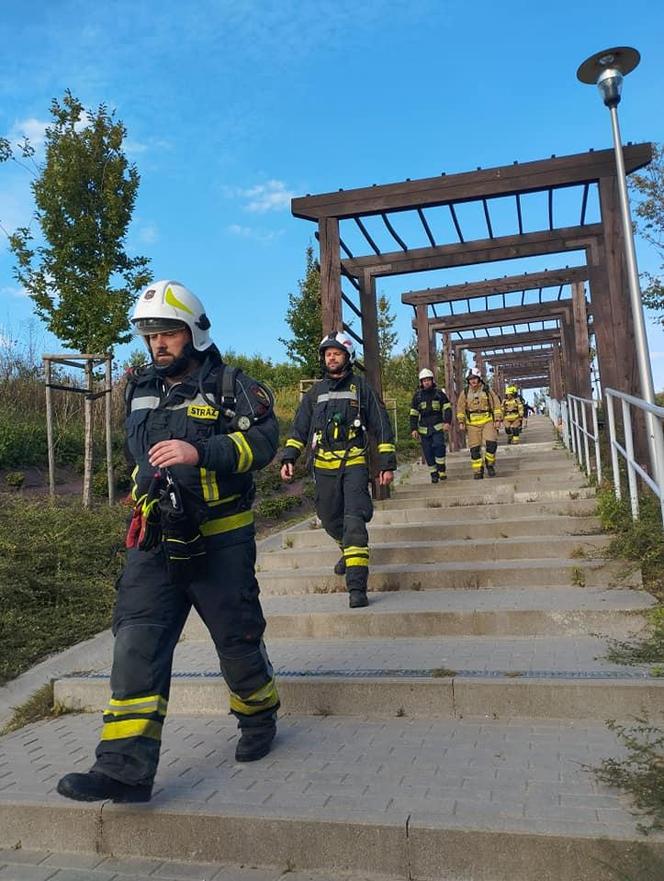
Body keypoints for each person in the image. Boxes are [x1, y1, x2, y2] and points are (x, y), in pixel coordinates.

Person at [57, 280, 280, 804]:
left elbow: (264, 443)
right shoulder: (136, 386)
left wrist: (202, 451)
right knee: (135, 641)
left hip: (219, 540)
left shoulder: (233, 386)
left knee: (237, 640)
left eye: (168, 333)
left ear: (195, 333)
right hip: (154, 538)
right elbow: (137, 452)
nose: (157, 344)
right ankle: (123, 770)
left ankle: (259, 714)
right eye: (149, 334)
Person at [280, 332, 396, 608]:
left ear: (347, 356)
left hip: (354, 462)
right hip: (323, 467)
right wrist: (289, 457)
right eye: (327, 354)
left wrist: (387, 465)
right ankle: (347, 550)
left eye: (336, 353)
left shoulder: (361, 388)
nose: (331, 357)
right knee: (330, 519)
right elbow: (299, 429)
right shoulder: (314, 393)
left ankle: (357, 588)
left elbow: (381, 425)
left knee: (354, 521)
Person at [456, 367, 503, 479]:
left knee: (491, 444)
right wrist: (461, 422)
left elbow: (496, 404)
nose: (473, 381)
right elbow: (460, 408)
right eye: (470, 379)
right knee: (475, 449)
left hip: (487, 420)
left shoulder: (487, 390)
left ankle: (489, 464)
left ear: (479, 379)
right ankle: (478, 470)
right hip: (472, 424)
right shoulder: (465, 392)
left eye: (475, 378)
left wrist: (497, 419)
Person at [409, 368, 452, 483]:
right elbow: (413, 414)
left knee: (439, 446)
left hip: (437, 427)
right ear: (421, 382)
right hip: (423, 430)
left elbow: (447, 408)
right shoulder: (417, 397)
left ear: (432, 381)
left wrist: (447, 422)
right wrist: (413, 429)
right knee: (427, 452)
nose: (426, 382)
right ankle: (433, 473)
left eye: (428, 380)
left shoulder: (439, 394)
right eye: (424, 380)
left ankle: (441, 470)